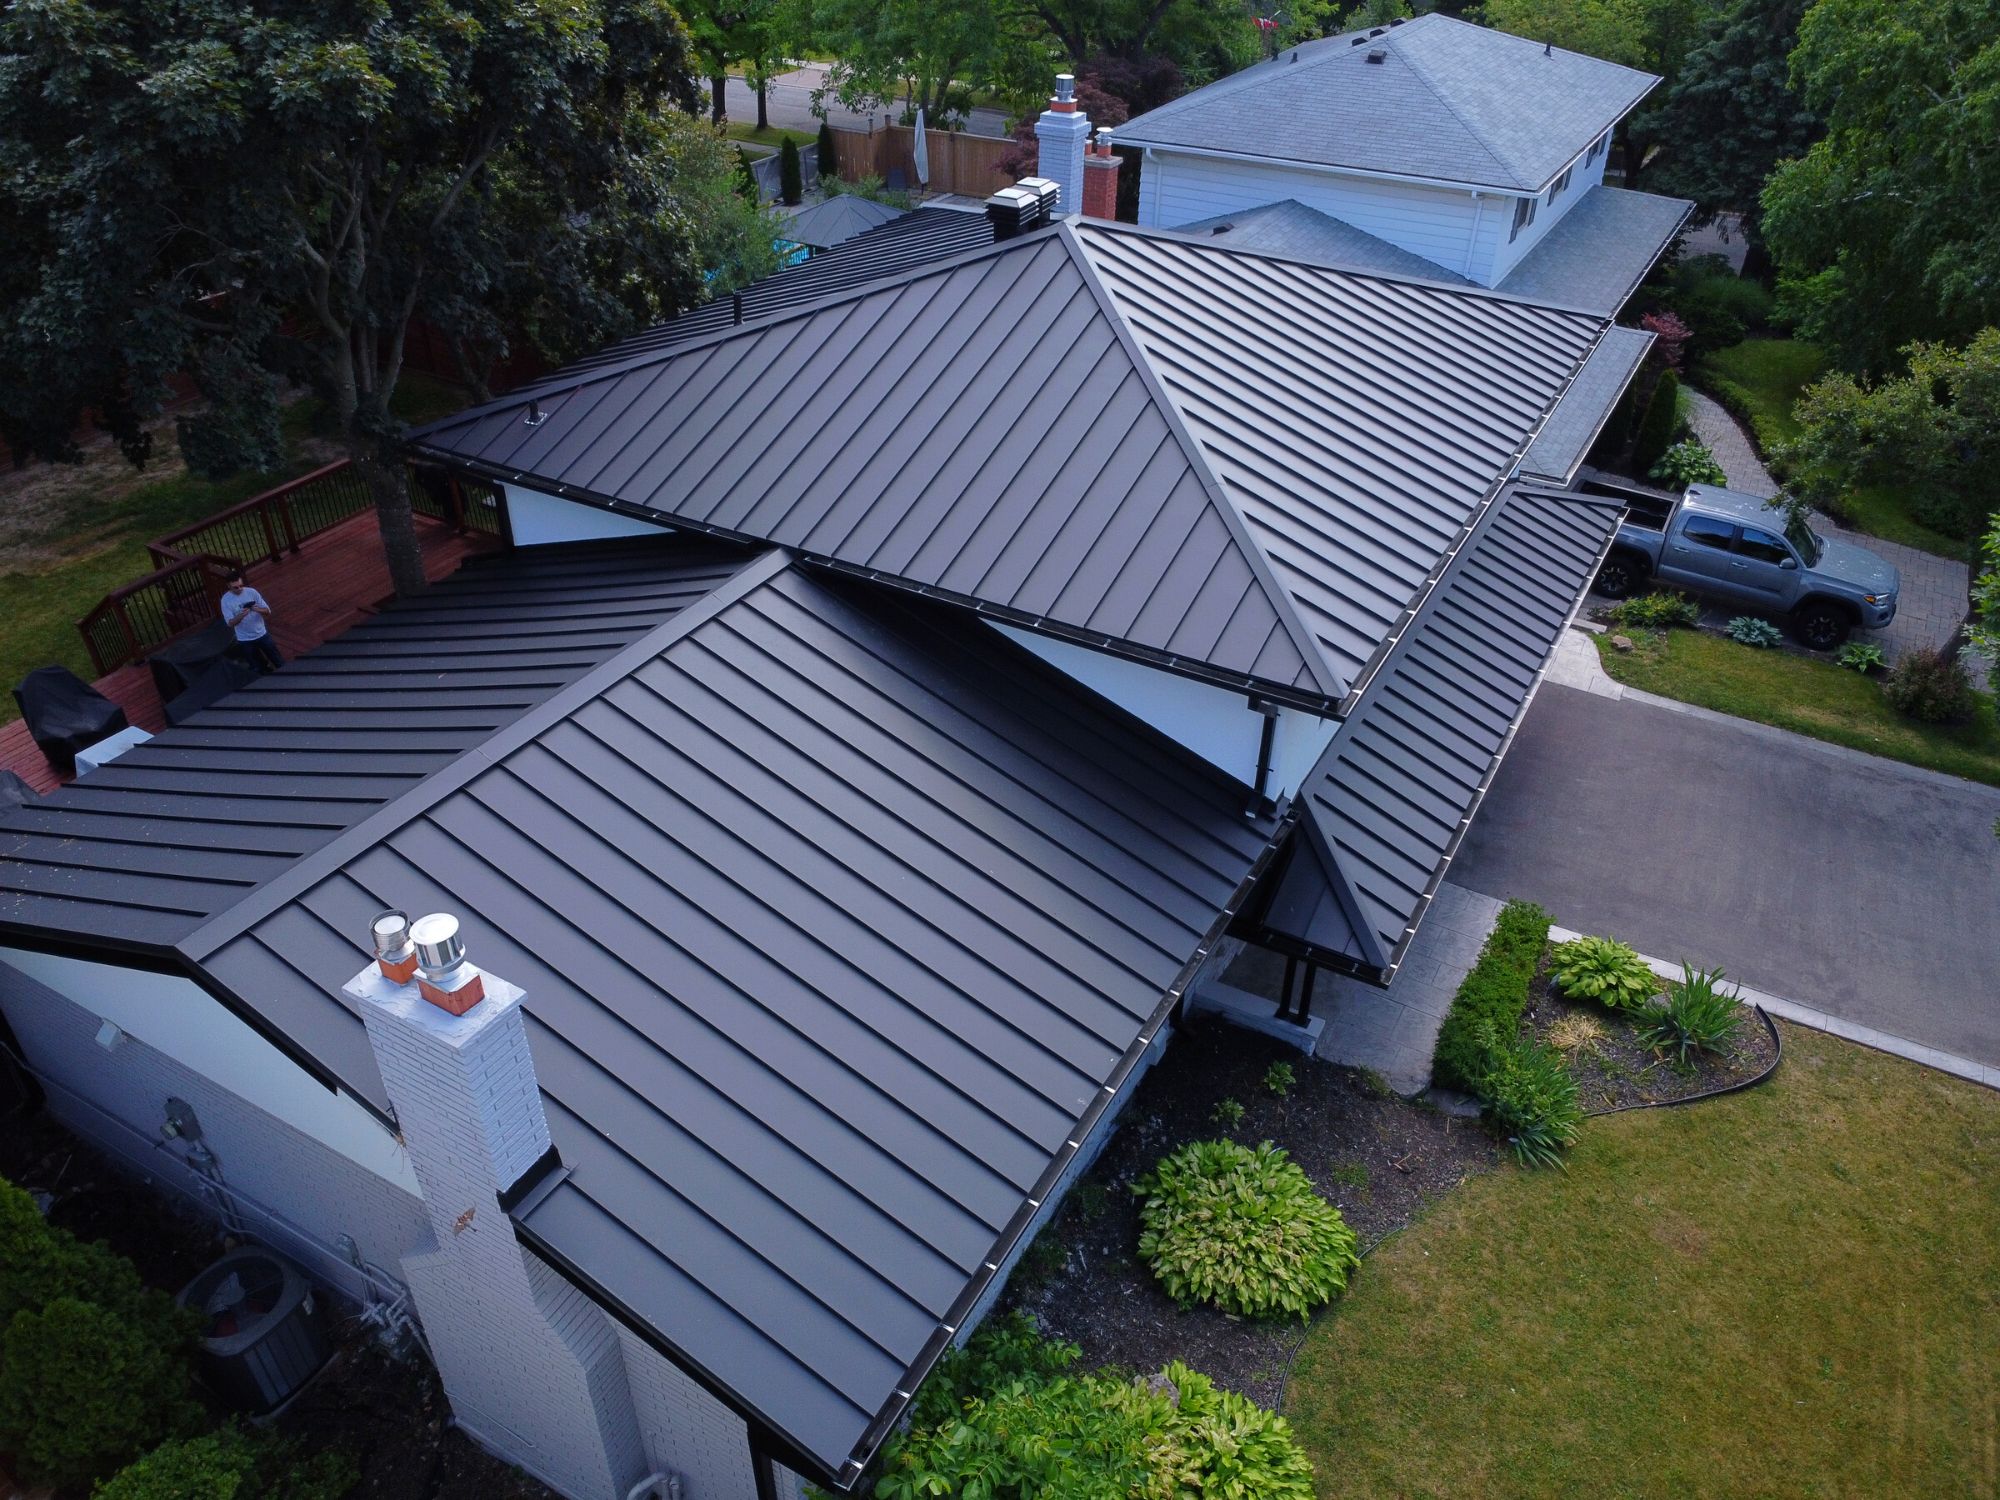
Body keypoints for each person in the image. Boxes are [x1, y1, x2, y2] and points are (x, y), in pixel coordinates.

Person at [219, 569, 282, 672]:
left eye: (241, 586)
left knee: (278, 661)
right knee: (258, 668)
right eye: (236, 587)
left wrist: (256, 609)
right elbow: (230, 623)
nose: (239, 589)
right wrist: (241, 615)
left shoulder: (251, 592)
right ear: (229, 586)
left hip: (262, 634)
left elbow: (267, 611)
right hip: (245, 640)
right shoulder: (225, 600)